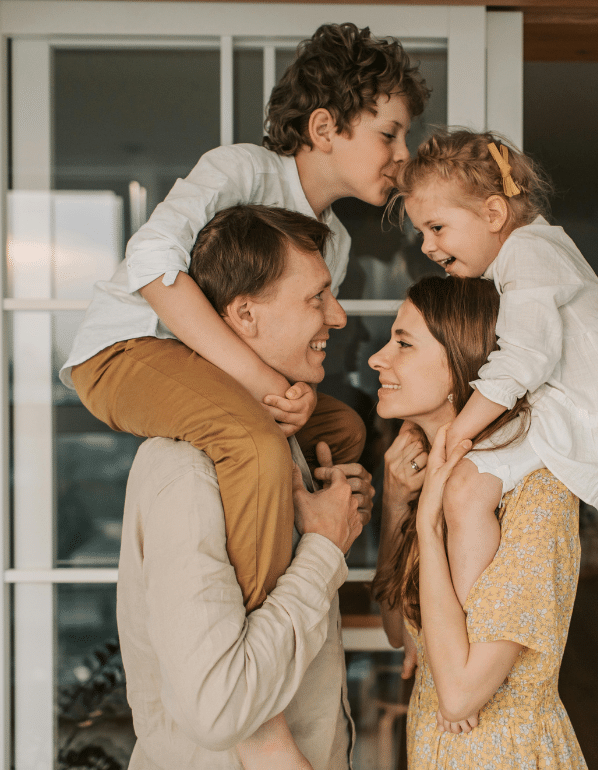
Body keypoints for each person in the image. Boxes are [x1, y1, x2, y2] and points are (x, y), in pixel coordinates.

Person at [61, 22, 428, 612]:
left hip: (218, 374)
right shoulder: (240, 171)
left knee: (343, 433)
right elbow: (151, 262)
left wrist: (299, 395)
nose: (404, 156)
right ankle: (257, 631)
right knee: (254, 442)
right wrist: (266, 384)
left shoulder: (333, 242)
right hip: (127, 351)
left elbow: (285, 353)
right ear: (324, 128)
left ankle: (298, 545)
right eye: (390, 134)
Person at [117, 203, 373, 769]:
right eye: (316, 297)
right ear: (245, 314)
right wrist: (324, 550)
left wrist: (339, 516)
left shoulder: (284, 447)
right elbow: (221, 710)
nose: (337, 317)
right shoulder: (188, 472)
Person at [392, 128, 598, 605]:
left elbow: (524, 359)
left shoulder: (528, 252)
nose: (426, 245)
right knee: (467, 487)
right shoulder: (533, 252)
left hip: (574, 412)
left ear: (493, 213)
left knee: (465, 487)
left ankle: (467, 622)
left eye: (436, 227)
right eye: (421, 231)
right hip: (563, 406)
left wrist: (455, 434)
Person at [371, 276, 587, 768]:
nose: (376, 359)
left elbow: (461, 694)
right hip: (432, 749)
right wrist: (397, 505)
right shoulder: (430, 476)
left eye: (402, 344)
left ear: (458, 363)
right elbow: (400, 633)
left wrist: (428, 525)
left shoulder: (537, 490)